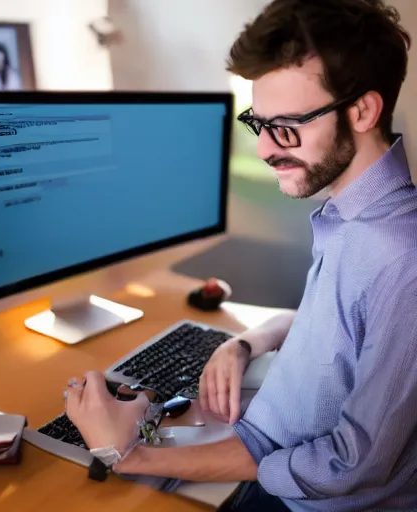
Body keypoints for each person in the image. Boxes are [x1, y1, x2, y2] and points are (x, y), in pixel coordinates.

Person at [64, 0, 417, 510]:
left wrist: (129, 454)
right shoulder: (354, 220)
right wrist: (248, 342)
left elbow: (347, 465)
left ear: (363, 110)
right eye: (261, 123)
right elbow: (344, 329)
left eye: (288, 127)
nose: (266, 150)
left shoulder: (399, 252)